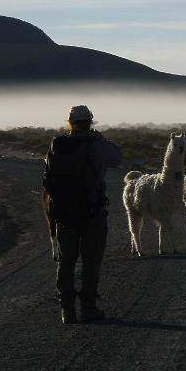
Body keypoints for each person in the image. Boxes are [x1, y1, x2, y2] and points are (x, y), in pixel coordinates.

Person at [43, 105, 122, 324]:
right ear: (90, 122)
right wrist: (103, 139)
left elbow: (48, 176)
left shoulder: (57, 146)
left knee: (66, 262)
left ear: (70, 122)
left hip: (63, 213)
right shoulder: (98, 145)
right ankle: (88, 308)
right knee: (91, 262)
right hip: (92, 212)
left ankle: (66, 310)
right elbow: (117, 159)